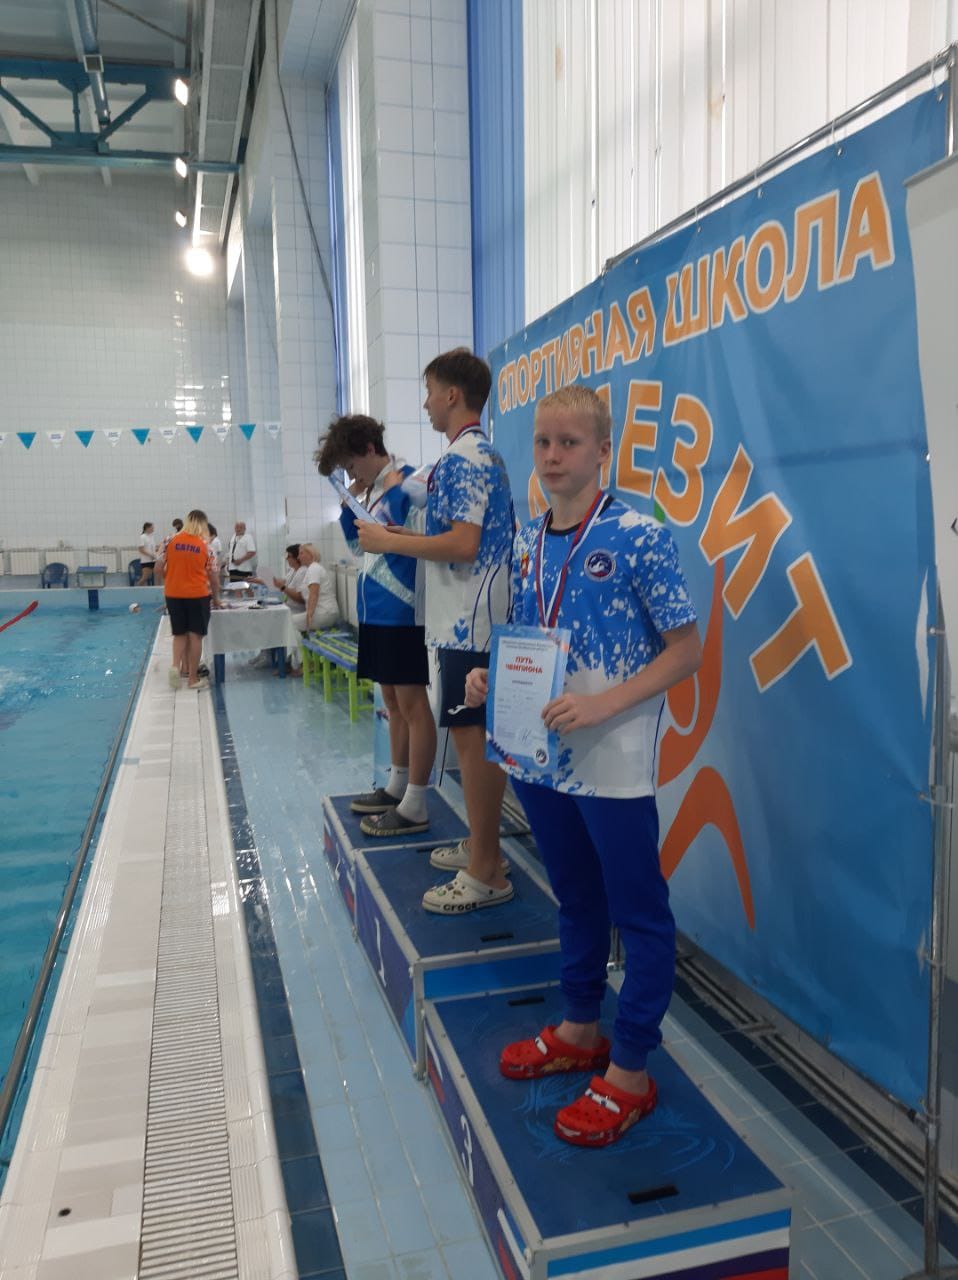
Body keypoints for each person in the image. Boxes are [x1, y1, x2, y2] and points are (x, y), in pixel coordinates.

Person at [462, 385, 701, 1147]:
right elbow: (531, 637)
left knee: (638, 910)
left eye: (569, 443)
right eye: (543, 443)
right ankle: (579, 1026)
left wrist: (604, 705)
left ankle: (630, 1067)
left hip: (613, 758)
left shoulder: (640, 536)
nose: (553, 456)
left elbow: (686, 651)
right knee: (573, 895)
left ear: (603, 451)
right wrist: (492, 677)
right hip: (541, 755)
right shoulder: (529, 540)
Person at [357, 348, 514, 912]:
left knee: (473, 741)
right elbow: (463, 536)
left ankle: (486, 871)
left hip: (472, 622)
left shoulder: (466, 457)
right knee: (471, 739)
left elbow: (464, 545)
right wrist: (405, 534)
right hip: (467, 618)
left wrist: (389, 540)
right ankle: (482, 846)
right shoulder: (468, 454)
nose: (424, 403)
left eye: (428, 392)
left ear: (452, 394)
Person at [315, 414, 436, 836]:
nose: (353, 475)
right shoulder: (373, 492)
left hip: (403, 611)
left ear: (369, 449)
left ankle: (416, 802)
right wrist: (348, 506)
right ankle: (397, 785)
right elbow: (358, 548)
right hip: (375, 611)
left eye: (352, 466)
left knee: (413, 705)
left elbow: (422, 544)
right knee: (392, 701)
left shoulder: (410, 485)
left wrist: (391, 494)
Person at [163, 509, 221, 691]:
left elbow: (158, 568)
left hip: (173, 594)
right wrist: (216, 598)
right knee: (195, 636)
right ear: (203, 525)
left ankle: (176, 666)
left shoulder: (169, 541)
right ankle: (193, 679)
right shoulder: (206, 546)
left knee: (179, 634)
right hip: (197, 595)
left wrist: (172, 579)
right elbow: (213, 578)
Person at [248, 544, 306, 669]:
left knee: (270, 622)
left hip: (296, 610)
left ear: (296, 557)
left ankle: (273, 657)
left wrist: (283, 588)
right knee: (264, 619)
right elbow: (277, 582)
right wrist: (255, 580)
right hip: (287, 607)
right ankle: (265, 653)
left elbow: (300, 599)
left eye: (288, 556)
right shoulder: (292, 571)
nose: (286, 559)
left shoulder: (303, 572)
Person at [290, 544, 339, 634]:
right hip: (325, 612)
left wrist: (309, 616)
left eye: (301, 553)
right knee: (290, 621)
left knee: (288, 623)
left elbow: (314, 594)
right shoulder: (312, 568)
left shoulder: (314, 569)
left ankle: (296, 644)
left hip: (324, 613)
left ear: (310, 554)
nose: (298, 557)